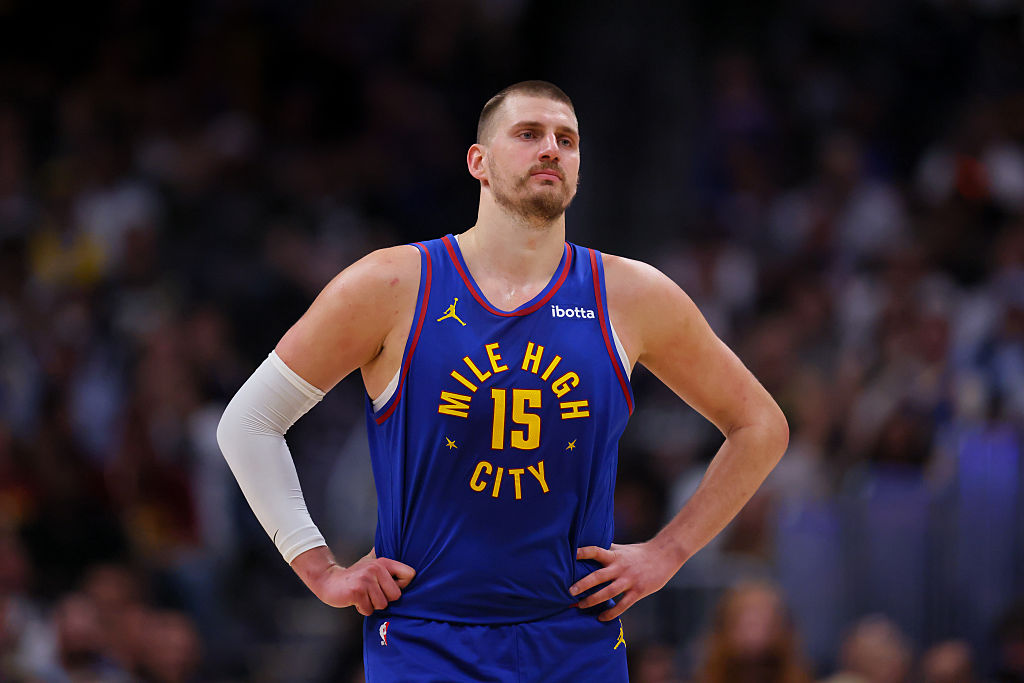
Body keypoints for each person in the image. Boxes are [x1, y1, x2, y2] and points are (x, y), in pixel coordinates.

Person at [216, 80, 789, 681]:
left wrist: (668, 553)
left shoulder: (632, 295)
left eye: (566, 140)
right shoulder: (390, 285)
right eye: (529, 134)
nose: (551, 149)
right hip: (426, 637)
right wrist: (320, 570)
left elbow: (761, 426)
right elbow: (249, 422)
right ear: (478, 162)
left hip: (577, 639)